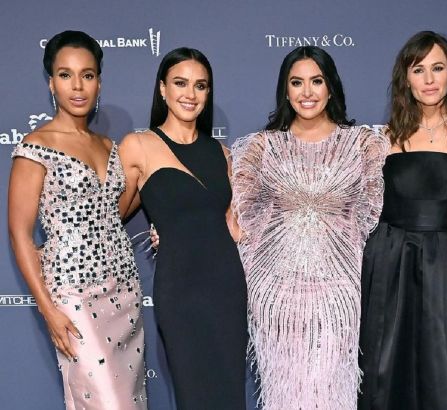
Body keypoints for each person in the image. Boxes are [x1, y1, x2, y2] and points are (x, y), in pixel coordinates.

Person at [230, 46, 388, 410]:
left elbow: (376, 213)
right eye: (296, 82)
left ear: (331, 87)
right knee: (285, 391)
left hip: (340, 290)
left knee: (330, 388)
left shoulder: (363, 144)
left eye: (316, 81)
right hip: (276, 293)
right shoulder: (261, 147)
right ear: (285, 90)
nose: (307, 92)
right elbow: (240, 215)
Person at [8, 30, 147, 409]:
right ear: (51, 83)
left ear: (99, 81)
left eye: (87, 75)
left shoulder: (110, 147)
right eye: (65, 75)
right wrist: (48, 309)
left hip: (124, 290)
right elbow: (20, 234)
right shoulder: (36, 146)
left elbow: (113, 213)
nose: (77, 86)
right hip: (73, 296)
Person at [357, 31, 447, 410]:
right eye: (419, 70)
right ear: (406, 79)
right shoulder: (383, 139)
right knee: (387, 373)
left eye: (438, 68)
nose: (429, 79)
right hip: (391, 263)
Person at [118, 48, 247, 409]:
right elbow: (113, 215)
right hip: (181, 290)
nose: (190, 94)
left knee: (229, 394)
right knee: (193, 394)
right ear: (163, 89)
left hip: (227, 287)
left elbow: (233, 226)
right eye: (180, 83)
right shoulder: (138, 145)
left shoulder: (222, 153)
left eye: (200, 85)